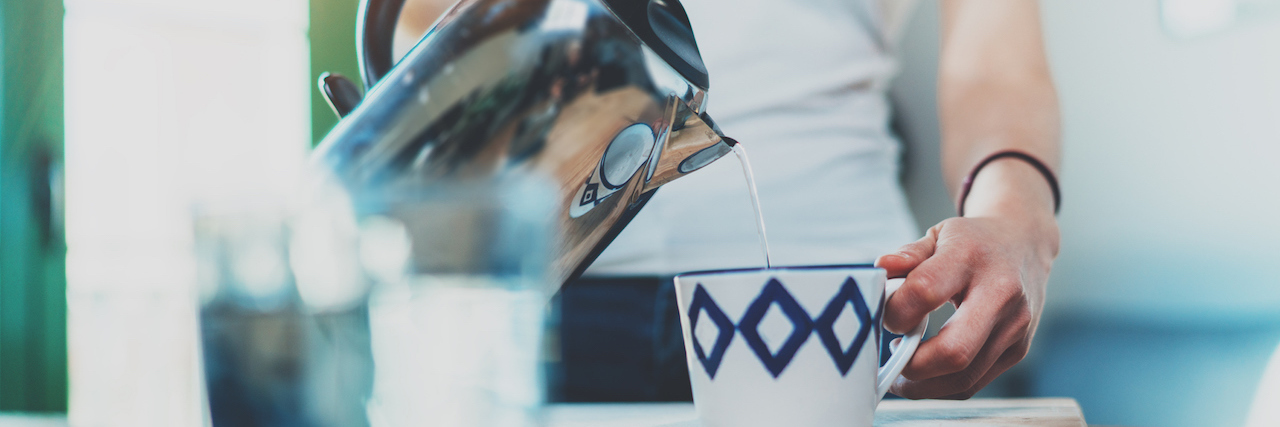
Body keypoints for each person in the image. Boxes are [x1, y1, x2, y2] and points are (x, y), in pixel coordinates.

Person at [395, 0, 1060, 401]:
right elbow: (423, 28)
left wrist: (1015, 214)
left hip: (839, 300)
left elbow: (994, 60)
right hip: (547, 303)